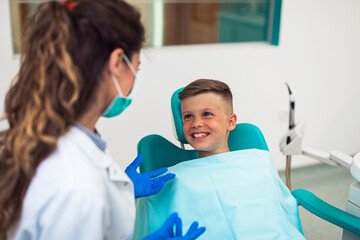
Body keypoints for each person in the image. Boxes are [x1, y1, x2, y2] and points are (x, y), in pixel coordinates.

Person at [0, 1, 205, 239]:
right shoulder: (77, 187)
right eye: (135, 69)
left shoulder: (59, 139)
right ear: (117, 63)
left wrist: (119, 193)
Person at [134, 79, 305, 239]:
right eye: (188, 116)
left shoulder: (258, 162)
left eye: (207, 114)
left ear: (231, 122)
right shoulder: (169, 179)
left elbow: (280, 213)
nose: (196, 123)